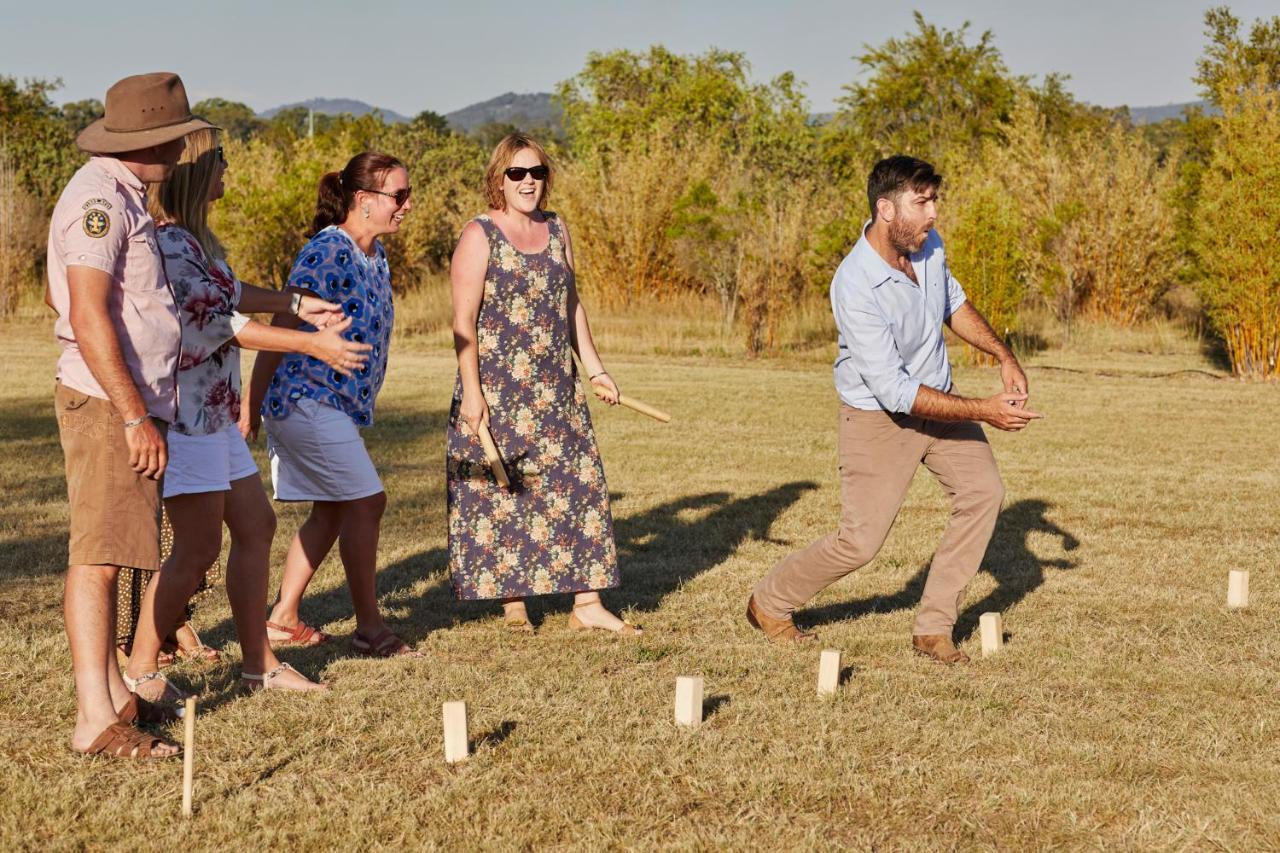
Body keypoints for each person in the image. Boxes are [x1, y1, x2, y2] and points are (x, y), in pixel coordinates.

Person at [746, 155, 1041, 663]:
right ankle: (769, 603)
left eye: (934, 201)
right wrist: (986, 411)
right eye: (921, 202)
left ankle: (933, 628)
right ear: (886, 208)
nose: (933, 214)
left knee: (983, 492)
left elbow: (954, 304)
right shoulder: (855, 283)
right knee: (860, 543)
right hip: (880, 417)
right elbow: (895, 392)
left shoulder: (928, 247)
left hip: (941, 402)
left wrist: (1003, 354)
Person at [122, 128, 372, 700]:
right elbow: (214, 323)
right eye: (221, 160)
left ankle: (259, 663)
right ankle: (139, 670)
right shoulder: (168, 244)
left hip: (213, 413)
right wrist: (311, 343)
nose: (228, 168)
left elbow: (233, 293)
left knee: (257, 524)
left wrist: (296, 302)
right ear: (194, 173)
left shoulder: (197, 240)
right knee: (198, 548)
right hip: (186, 417)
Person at [48, 72, 213, 759]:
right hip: (108, 401)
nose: (180, 150)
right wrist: (131, 415)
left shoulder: (126, 196)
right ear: (143, 141)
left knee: (117, 549)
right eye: (171, 139)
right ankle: (94, 716)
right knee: (99, 557)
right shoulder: (98, 202)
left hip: (133, 400)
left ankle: (115, 695)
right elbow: (87, 315)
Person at [446, 133, 639, 635]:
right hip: (498, 387)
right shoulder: (479, 234)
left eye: (537, 173)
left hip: (557, 387)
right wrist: (472, 391)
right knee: (506, 491)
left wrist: (595, 368)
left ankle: (588, 603)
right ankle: (513, 604)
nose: (528, 182)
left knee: (581, 485)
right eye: (517, 173)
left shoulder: (556, 229)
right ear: (499, 179)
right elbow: (463, 321)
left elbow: (571, 304)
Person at [247, 152, 417, 657]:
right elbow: (281, 326)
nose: (407, 206)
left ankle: (282, 617)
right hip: (303, 400)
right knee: (367, 501)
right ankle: (369, 628)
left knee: (334, 509)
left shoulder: (375, 255)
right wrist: (250, 406)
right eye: (399, 196)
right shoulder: (327, 252)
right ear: (364, 201)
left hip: (335, 405)